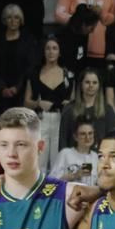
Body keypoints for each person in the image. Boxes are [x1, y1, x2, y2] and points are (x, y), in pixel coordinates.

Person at [25, 37, 72, 169]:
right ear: (43, 51)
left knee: (58, 161)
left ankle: (55, 183)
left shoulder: (68, 74)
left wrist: (68, 104)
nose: (51, 52)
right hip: (41, 119)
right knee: (39, 161)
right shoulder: (34, 73)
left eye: (54, 48)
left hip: (60, 119)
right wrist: (38, 103)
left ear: (59, 52)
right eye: (48, 48)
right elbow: (26, 102)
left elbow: (74, 101)